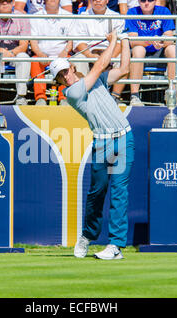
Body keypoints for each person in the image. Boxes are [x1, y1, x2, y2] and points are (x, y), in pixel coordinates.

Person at [51, 29, 134, 260]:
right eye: (60, 76)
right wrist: (114, 41)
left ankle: (116, 246)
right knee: (97, 193)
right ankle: (87, 236)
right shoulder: (71, 92)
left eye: (65, 71)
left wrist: (126, 41)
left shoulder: (97, 81)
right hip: (102, 143)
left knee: (119, 192)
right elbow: (99, 65)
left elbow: (125, 69)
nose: (65, 76)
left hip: (124, 139)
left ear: (72, 68)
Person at [111, 0, 176, 106]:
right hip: (141, 49)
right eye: (143, 0)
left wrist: (161, 42)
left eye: (150, 0)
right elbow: (133, 41)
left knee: (172, 49)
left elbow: (169, 37)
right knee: (138, 49)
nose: (146, 3)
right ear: (138, 1)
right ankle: (134, 95)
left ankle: (172, 93)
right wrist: (150, 41)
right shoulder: (132, 12)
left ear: (155, 1)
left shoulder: (164, 11)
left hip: (159, 49)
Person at [29, 0, 74, 106]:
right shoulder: (35, 17)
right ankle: (40, 98)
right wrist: (40, 54)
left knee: (66, 61)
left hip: (62, 54)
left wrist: (65, 51)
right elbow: (33, 42)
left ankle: (64, 97)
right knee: (35, 60)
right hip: (42, 55)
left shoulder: (69, 16)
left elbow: (71, 41)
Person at [0, 0, 30, 105]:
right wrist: (0, 51)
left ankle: (21, 96)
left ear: (13, 3)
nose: (5, 3)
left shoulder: (22, 17)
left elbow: (24, 45)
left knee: (23, 57)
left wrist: (10, 53)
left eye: (8, 1)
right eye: (1, 1)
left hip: (14, 52)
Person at [72, 0, 124, 78]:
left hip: (110, 52)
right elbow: (79, 42)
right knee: (79, 58)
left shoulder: (117, 17)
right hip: (89, 51)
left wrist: (109, 57)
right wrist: (89, 55)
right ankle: (83, 88)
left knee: (121, 59)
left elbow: (119, 44)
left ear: (107, 1)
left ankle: (115, 91)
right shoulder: (82, 17)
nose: (98, 1)